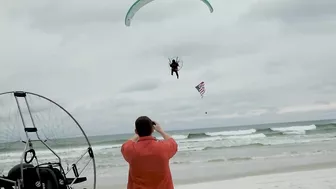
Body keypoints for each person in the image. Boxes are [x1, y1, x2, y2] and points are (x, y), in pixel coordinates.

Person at [121, 116, 178, 189]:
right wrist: (161, 131)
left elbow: (126, 144)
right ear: (152, 129)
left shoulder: (130, 149)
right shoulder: (163, 147)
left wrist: (138, 133)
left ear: (136, 131)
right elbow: (173, 143)